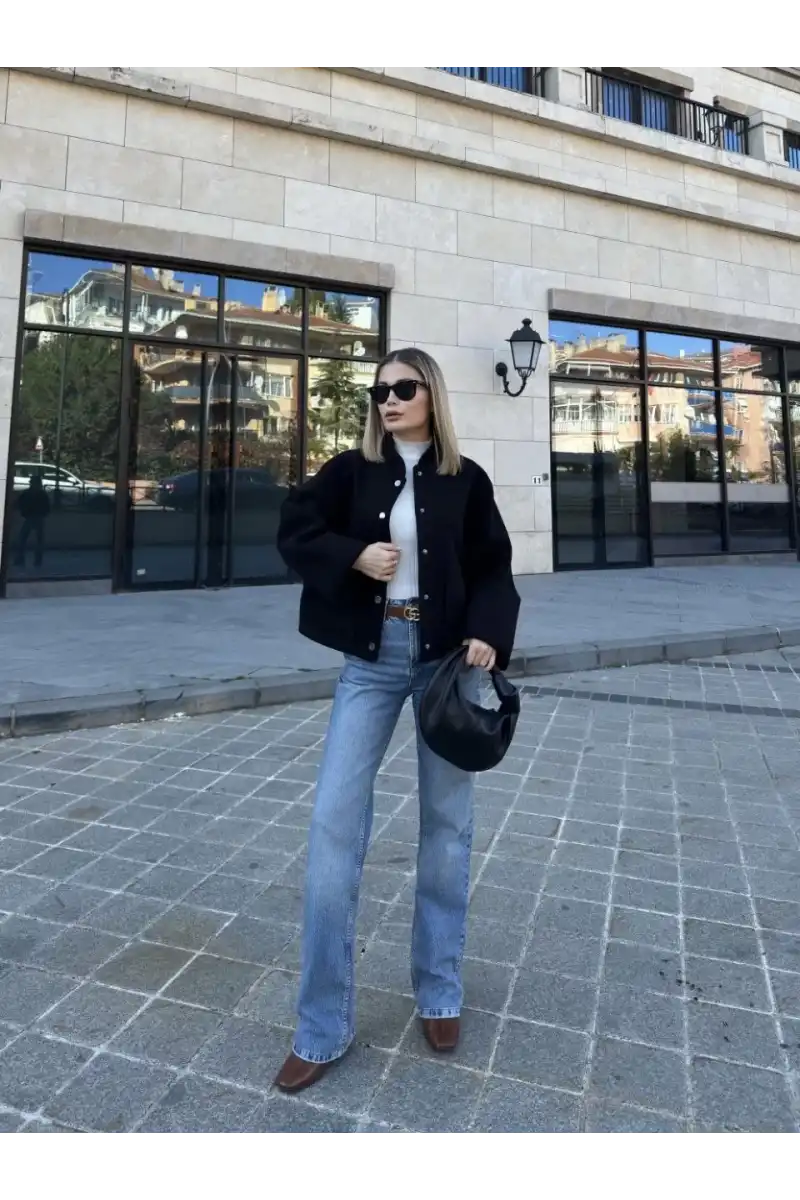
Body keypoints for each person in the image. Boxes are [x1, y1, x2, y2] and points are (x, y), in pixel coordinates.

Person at [274, 347, 520, 1093]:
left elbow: (493, 565)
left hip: (447, 666)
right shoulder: (350, 471)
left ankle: (439, 989)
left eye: (402, 388)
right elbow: (294, 528)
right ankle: (322, 1026)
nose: (388, 400)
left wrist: (488, 631)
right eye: (378, 390)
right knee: (332, 827)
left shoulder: (465, 479)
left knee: (447, 828)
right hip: (371, 662)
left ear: (430, 395)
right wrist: (355, 556)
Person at [14, 472, 50, 569]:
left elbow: (19, 503)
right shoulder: (41, 494)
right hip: (37, 517)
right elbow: (47, 507)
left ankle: (21, 559)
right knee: (37, 540)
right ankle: (37, 560)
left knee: (23, 539)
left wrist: (24, 512)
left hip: (31, 517)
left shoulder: (28, 493)